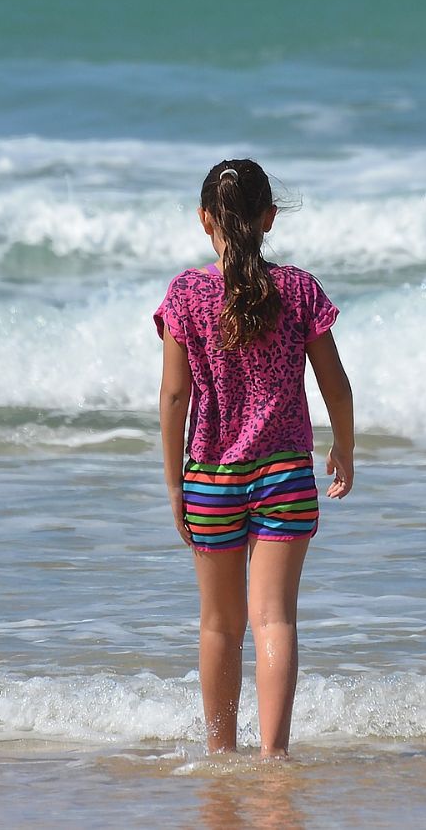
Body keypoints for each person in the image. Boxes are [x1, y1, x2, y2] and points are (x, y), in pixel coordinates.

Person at [153, 158, 355, 759]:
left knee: (219, 623)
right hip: (285, 471)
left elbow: (173, 396)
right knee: (274, 619)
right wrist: (344, 445)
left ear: (204, 221)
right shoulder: (297, 290)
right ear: (269, 218)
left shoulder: (187, 295)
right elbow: (336, 386)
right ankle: (273, 756)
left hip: (210, 475)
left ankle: (221, 755)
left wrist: (174, 486)